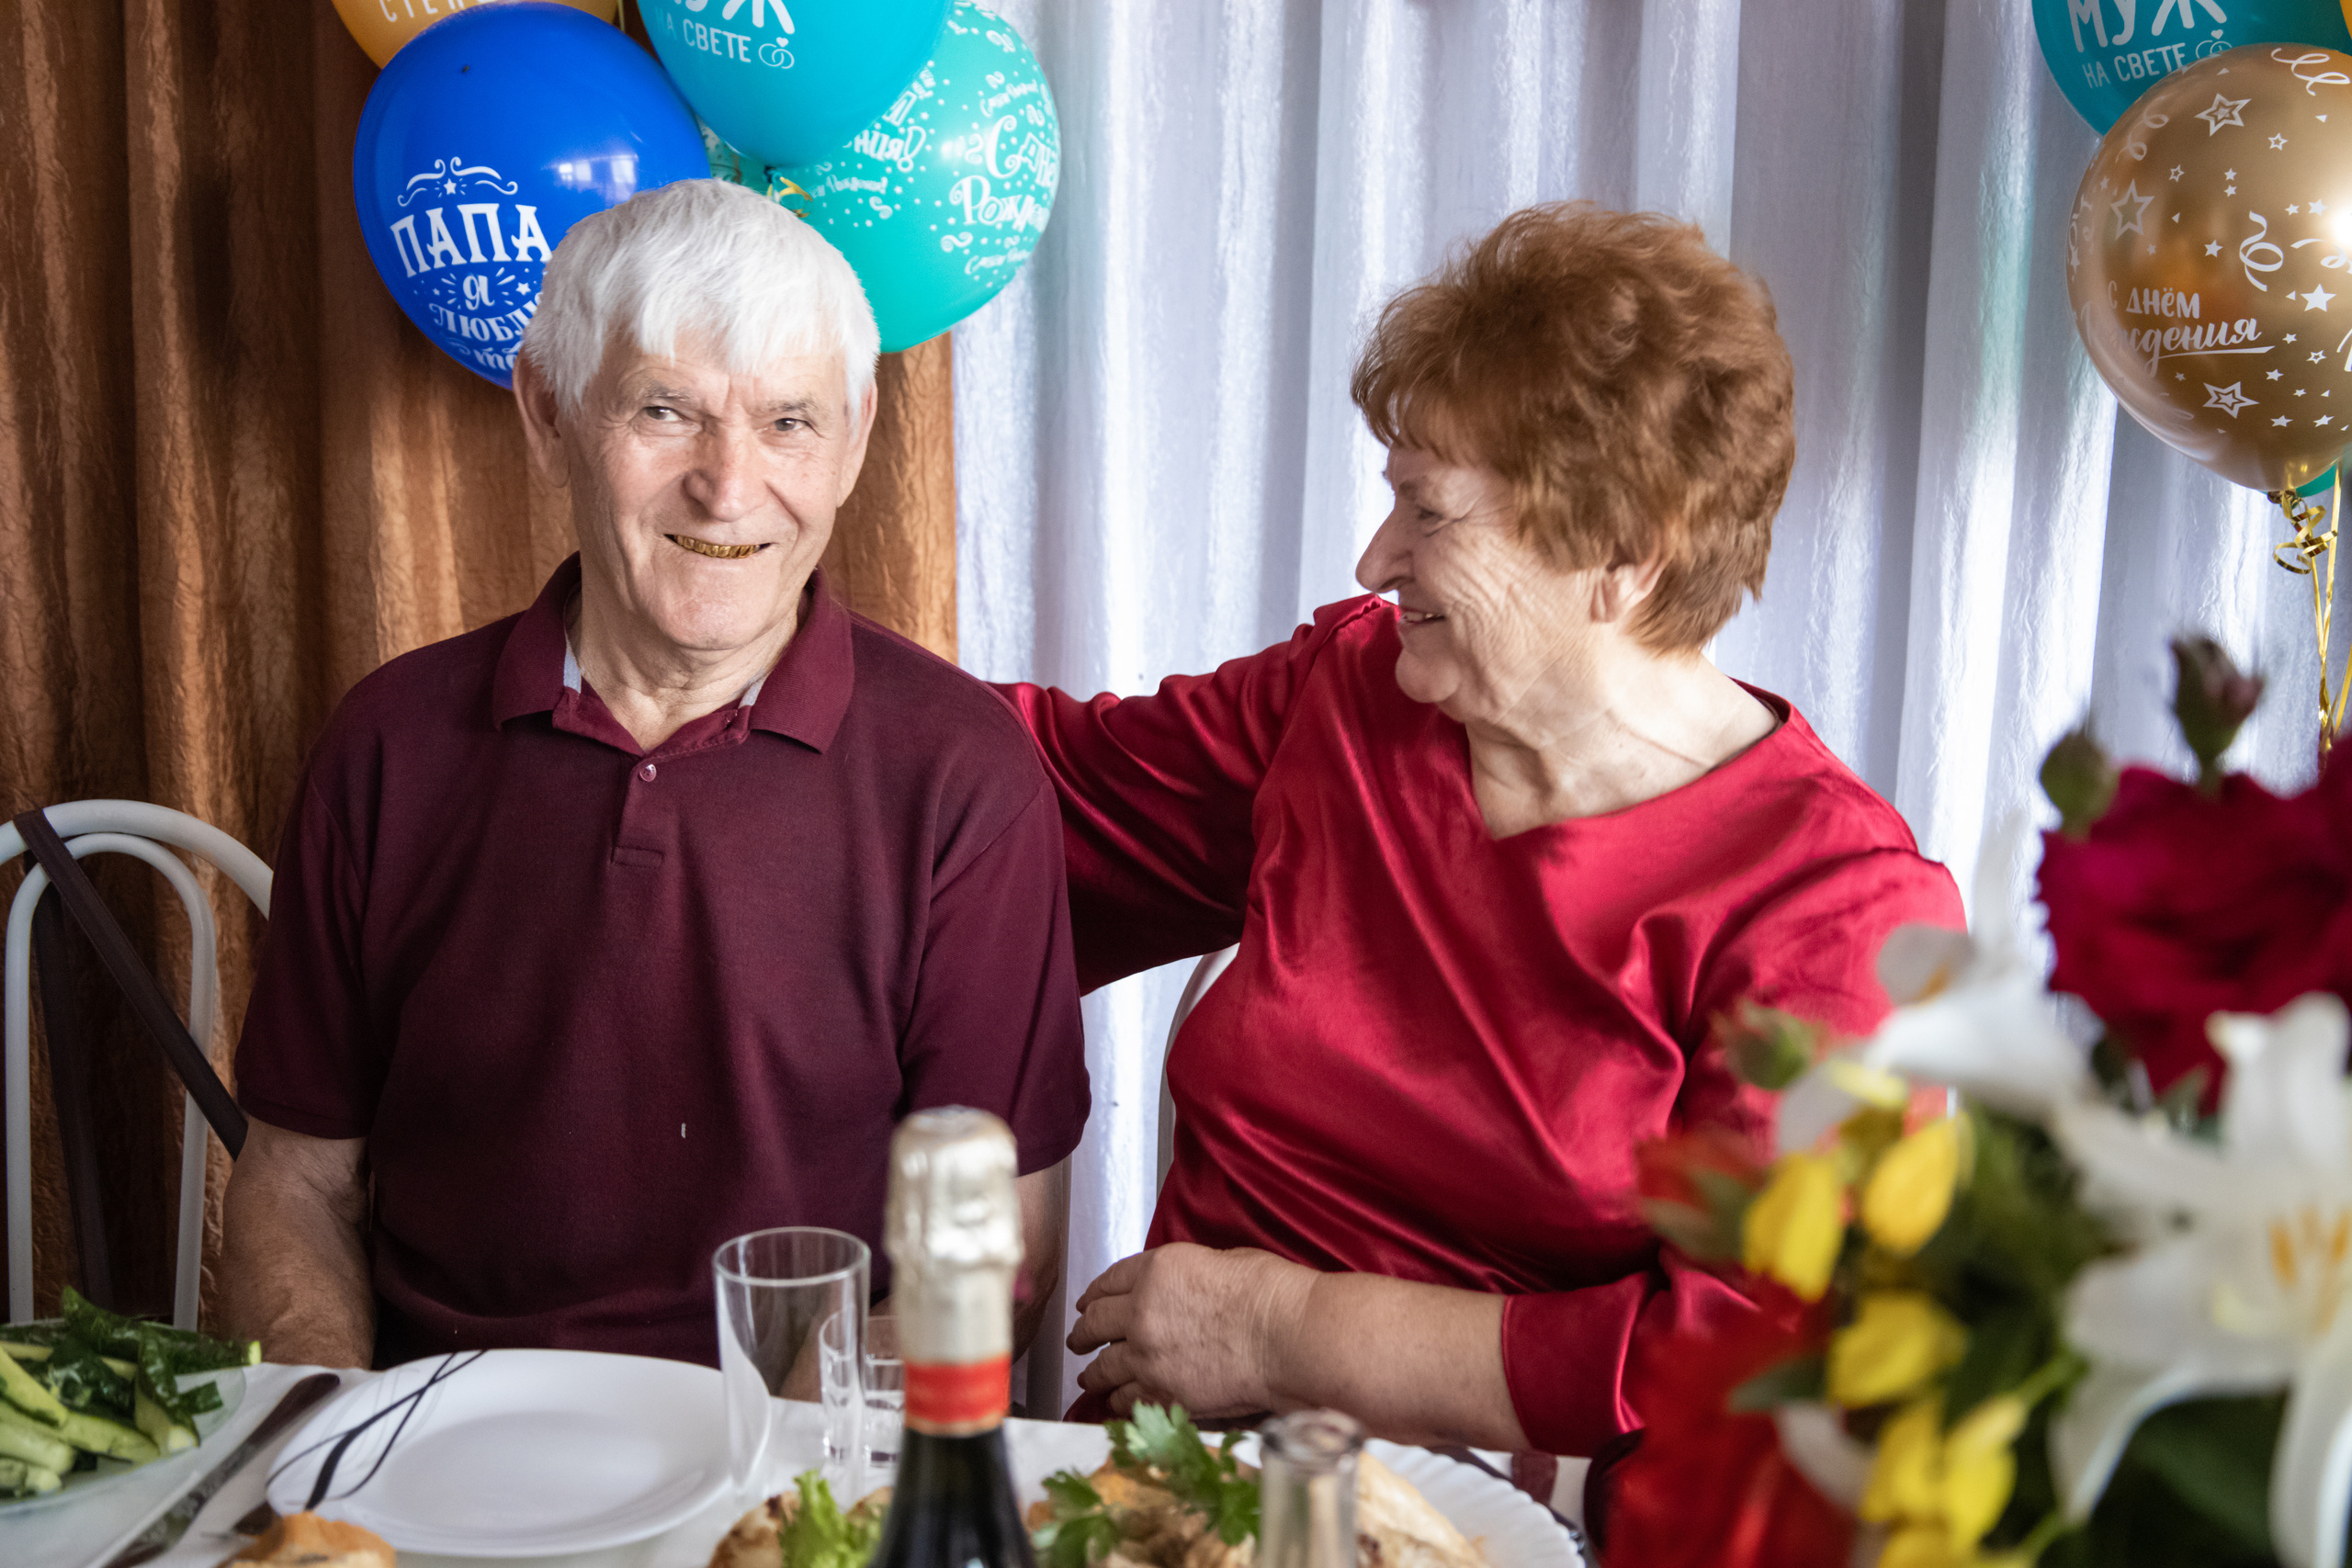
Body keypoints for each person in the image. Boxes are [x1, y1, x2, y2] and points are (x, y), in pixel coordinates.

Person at [995, 203, 1964, 1459]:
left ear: (1624, 553)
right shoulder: (1348, 700)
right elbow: (1029, 793)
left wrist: (1288, 1332)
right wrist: (752, 629)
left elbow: (1764, 1356)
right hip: (1167, 1480)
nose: (1373, 556)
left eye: (1429, 511)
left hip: (1533, 1525)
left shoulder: (1838, 911)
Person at [220, 180, 1088, 1370]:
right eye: (666, 411)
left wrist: (782, 1496)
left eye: (789, 422)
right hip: (445, 1453)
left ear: (855, 441)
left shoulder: (964, 777)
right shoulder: (388, 746)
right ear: (547, 412)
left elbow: (993, 1269)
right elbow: (296, 1188)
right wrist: (348, 1453)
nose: (729, 489)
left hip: (793, 1462)